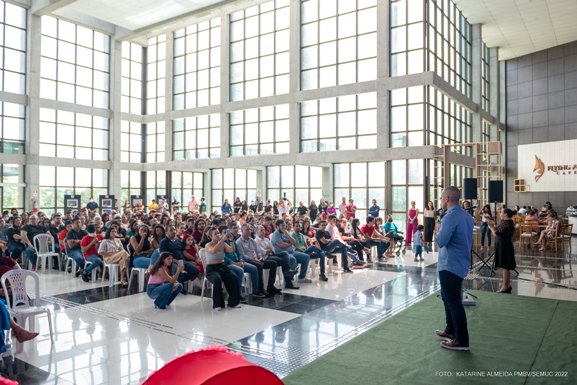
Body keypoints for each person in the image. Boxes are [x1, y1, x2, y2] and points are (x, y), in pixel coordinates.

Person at [435, 186, 473, 351]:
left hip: (450, 264)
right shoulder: (466, 216)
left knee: (454, 302)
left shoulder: (449, 217)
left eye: (442, 197)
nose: (441, 200)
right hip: (460, 262)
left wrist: (437, 229)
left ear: (447, 198)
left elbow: (441, 241)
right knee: (447, 297)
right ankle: (451, 330)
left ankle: (461, 340)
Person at [204, 227, 241, 310]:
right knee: (217, 279)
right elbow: (213, 251)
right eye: (215, 234)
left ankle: (233, 302)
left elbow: (232, 250)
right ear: (210, 236)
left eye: (218, 233)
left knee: (233, 276)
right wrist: (222, 240)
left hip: (222, 266)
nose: (218, 235)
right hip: (211, 269)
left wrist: (231, 241)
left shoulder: (223, 243)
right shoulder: (208, 245)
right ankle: (218, 304)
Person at [488, 208, 516, 293]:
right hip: (504, 244)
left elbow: (496, 234)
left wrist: (491, 227)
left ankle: (505, 286)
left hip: (504, 246)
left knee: (505, 266)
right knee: (504, 265)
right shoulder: (507, 222)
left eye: (501, 212)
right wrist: (494, 227)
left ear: (506, 214)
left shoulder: (506, 223)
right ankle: (507, 285)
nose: (500, 214)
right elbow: (499, 231)